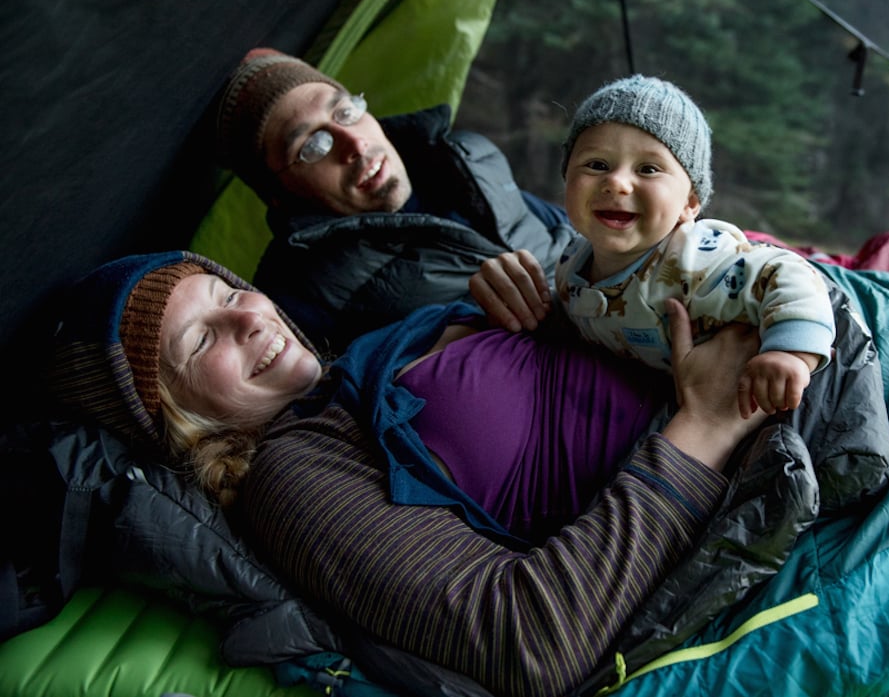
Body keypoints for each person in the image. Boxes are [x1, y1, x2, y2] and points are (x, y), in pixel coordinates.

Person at [47, 250, 785, 697]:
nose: (248, 318)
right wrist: (700, 432)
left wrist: (555, 290)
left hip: (776, 366)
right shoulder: (290, 480)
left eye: (228, 291)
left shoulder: (356, 372)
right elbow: (529, 638)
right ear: (173, 418)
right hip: (754, 451)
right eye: (202, 337)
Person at [471, 74, 837, 419]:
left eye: (647, 169)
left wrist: (790, 353)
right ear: (567, 178)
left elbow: (790, 272)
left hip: (782, 373)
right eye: (597, 164)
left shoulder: (697, 259)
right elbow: (581, 323)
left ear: (690, 204)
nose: (616, 183)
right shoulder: (572, 263)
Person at [211, 48, 577, 354]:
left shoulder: (468, 156)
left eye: (345, 112)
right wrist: (476, 332)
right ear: (279, 195)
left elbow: (573, 235)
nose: (353, 144)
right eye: (313, 146)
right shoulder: (299, 296)